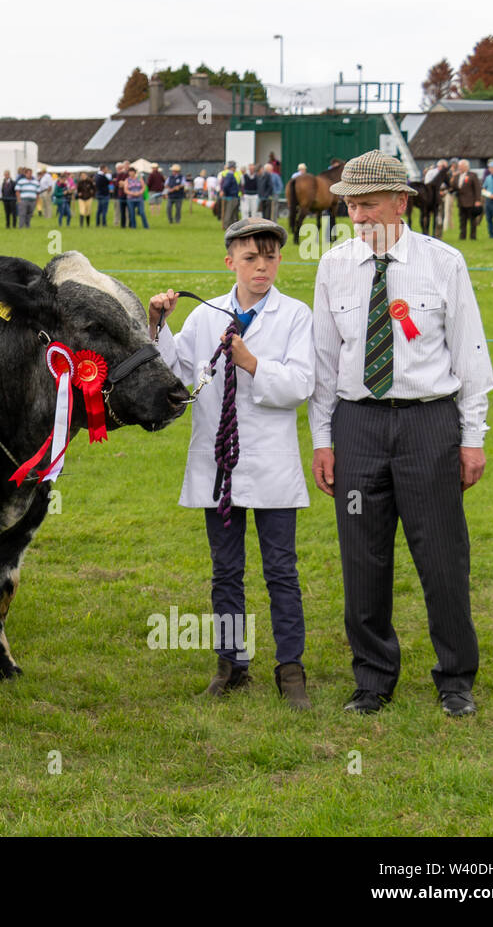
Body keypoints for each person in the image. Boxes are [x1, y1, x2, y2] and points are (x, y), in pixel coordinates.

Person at [310, 150, 492, 718]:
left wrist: (472, 436)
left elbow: (471, 356)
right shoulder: (334, 266)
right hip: (357, 425)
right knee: (362, 557)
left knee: (441, 556)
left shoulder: (445, 263)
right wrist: (323, 438)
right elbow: (322, 362)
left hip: (429, 425)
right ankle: (372, 679)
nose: (358, 218)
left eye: (367, 206)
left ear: (401, 201)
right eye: (351, 207)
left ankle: (455, 678)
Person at [149, 217, 315, 708]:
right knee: (226, 571)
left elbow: (300, 385)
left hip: (271, 463)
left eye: (270, 256)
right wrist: (158, 324)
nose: (261, 266)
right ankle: (231, 663)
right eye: (250, 257)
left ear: (280, 260)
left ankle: (291, 669)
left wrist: (252, 363)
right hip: (217, 463)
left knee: (281, 570)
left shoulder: (295, 315)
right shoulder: (205, 317)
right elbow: (175, 374)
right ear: (230, 262)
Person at [455, 159, 481, 241]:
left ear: (466, 167)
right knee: (462, 220)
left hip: (471, 202)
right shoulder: (457, 176)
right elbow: (453, 187)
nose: (459, 168)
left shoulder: (472, 175)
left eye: (461, 166)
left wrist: (477, 200)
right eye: (459, 166)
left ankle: (473, 236)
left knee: (472, 221)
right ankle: (462, 236)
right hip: (460, 202)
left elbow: (477, 188)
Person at [219, 162, 240, 230]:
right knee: (229, 212)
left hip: (233, 196)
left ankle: (232, 227)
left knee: (233, 213)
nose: (235, 169)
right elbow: (226, 185)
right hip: (231, 197)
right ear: (232, 168)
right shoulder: (230, 175)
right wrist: (223, 191)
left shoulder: (230, 175)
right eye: (234, 167)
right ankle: (226, 226)